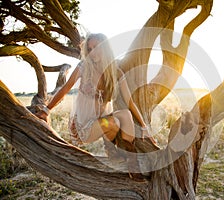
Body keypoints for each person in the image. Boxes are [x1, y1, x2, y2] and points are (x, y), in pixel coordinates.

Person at [35, 33, 153, 181]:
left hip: (101, 123)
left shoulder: (115, 71)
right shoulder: (83, 68)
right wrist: (46, 110)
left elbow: (130, 101)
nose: (93, 52)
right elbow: (65, 89)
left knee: (125, 114)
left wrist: (144, 127)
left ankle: (130, 161)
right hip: (84, 127)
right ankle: (113, 151)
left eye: (97, 47)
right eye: (90, 49)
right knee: (114, 122)